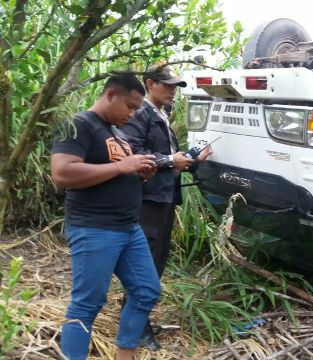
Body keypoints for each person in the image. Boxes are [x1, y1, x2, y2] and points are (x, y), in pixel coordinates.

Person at [51, 72, 161, 360]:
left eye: (137, 108)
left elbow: (115, 173)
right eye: (131, 106)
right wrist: (122, 168)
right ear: (110, 94)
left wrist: (139, 174)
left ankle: (124, 356)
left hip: (128, 227)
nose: (134, 113)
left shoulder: (117, 132)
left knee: (147, 291)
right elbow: (62, 172)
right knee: (87, 303)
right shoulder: (78, 124)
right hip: (95, 228)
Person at [121, 65, 210, 350]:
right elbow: (133, 154)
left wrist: (190, 161)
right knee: (145, 262)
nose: (173, 91)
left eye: (175, 86)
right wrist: (171, 160)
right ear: (150, 84)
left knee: (156, 260)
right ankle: (137, 328)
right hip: (148, 200)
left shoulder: (161, 115)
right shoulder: (140, 114)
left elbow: (166, 157)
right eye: (168, 85)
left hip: (164, 198)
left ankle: (137, 318)